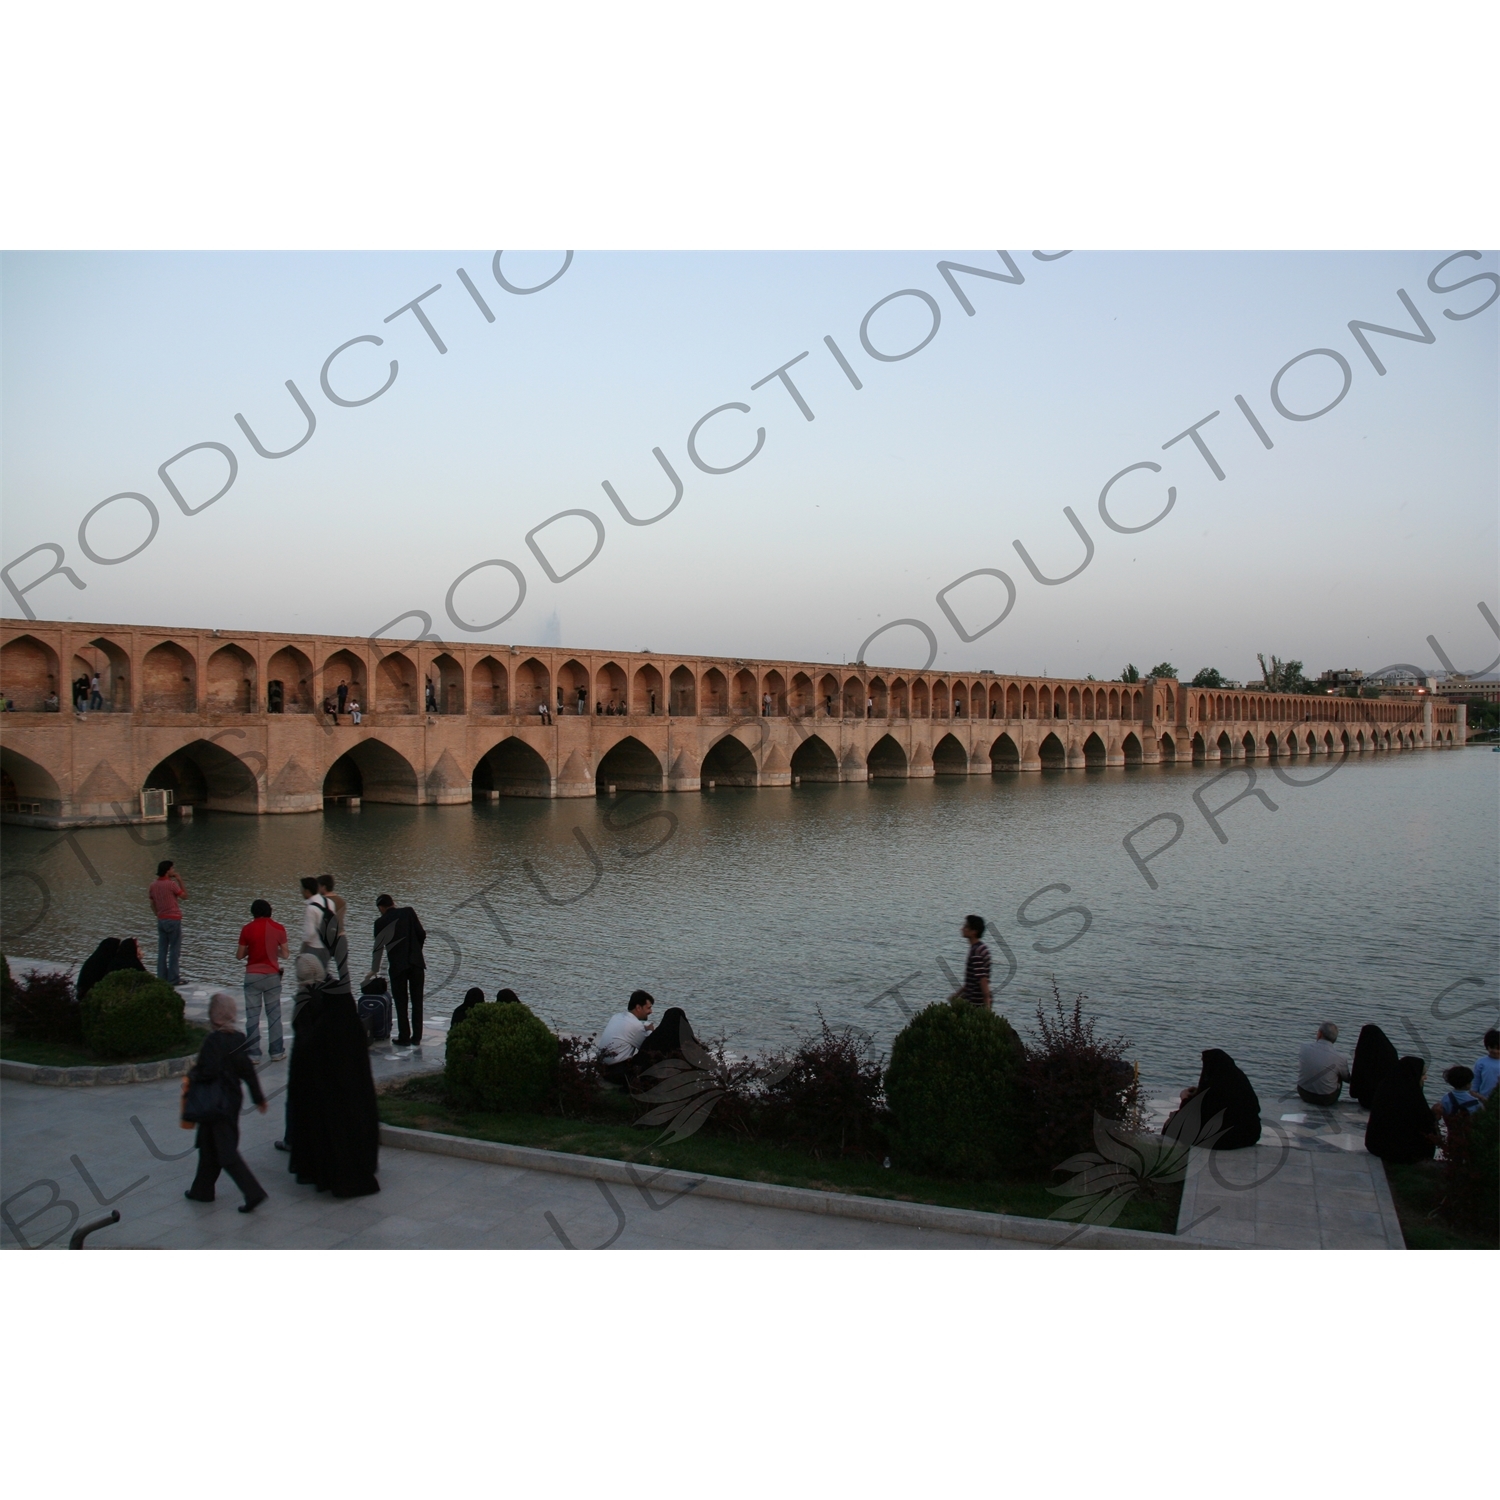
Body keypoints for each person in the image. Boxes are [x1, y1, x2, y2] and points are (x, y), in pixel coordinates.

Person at [284, 943, 381, 1198]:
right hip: (352, 1073)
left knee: (330, 1127)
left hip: (325, 1078)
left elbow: (307, 1044)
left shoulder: (309, 1002)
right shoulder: (339, 994)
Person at [183, 992, 268, 1212]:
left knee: (225, 1151)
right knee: (208, 1144)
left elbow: (207, 1071)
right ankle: (201, 1190)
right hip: (231, 1101)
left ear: (215, 1016)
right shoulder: (238, 1039)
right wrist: (258, 1098)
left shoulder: (213, 1041)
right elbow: (247, 1072)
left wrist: (193, 1076)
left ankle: (253, 1192)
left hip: (214, 1102)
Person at [1164, 1049, 1262, 1150]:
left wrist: (1184, 1098)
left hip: (1227, 1137)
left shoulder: (1216, 1088)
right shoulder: (1238, 1079)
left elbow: (1198, 1114)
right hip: (1251, 1134)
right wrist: (1198, 1093)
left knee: (1172, 1125)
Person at [369, 894, 426, 1046]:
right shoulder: (408, 912)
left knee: (401, 1003)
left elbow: (379, 949)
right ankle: (417, 1037)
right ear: (393, 903)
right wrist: (416, 951)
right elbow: (422, 934)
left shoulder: (380, 922)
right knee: (417, 1001)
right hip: (416, 963)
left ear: (381, 907)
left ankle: (404, 1037)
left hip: (397, 967)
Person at [237, 899, 289, 1063]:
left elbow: (239, 955)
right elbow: (286, 954)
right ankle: (276, 1052)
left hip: (252, 976)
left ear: (253, 912)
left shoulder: (247, 929)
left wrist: (250, 949)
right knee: (274, 1015)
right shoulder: (279, 928)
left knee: (252, 1016)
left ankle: (253, 1054)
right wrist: (274, 950)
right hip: (272, 976)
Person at [1365, 1056, 1439, 1164]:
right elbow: (1425, 1123)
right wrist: (1435, 1115)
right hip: (1399, 1152)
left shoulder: (1385, 1087)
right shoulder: (1412, 1096)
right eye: (1422, 1074)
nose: (1425, 1078)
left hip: (1376, 1145)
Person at [148, 859, 186, 984]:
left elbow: (152, 903)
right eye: (172, 869)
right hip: (173, 920)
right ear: (167, 870)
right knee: (174, 950)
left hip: (161, 919)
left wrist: (157, 915)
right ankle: (174, 978)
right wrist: (179, 880)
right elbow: (184, 896)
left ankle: (162, 977)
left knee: (162, 950)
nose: (173, 871)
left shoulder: (153, 885)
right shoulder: (171, 884)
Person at [1297, 1021, 1351, 1106]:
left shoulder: (1304, 1048)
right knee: (1338, 1073)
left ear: (1320, 1034)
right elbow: (1347, 1079)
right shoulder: (1341, 1058)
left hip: (1303, 1093)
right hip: (1326, 1099)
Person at [298, 876, 341, 978]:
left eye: (301, 889)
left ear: (307, 891)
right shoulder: (328, 902)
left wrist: (302, 950)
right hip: (327, 946)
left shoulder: (311, 908)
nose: (300, 892)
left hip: (314, 948)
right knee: (322, 977)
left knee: (309, 978)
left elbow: (309, 933)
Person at [1350, 1023, 1400, 1108]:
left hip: (1365, 1100)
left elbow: (1357, 1076)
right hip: (1385, 1100)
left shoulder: (1363, 1053)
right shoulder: (1390, 1053)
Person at [959, 915, 992, 1009]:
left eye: (966, 927)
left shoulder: (976, 952)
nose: (962, 929)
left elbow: (983, 980)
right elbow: (971, 980)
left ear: (974, 931)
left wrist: (987, 1006)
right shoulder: (981, 948)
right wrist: (958, 995)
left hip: (976, 1003)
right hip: (971, 1000)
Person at [1473, 1029, 1500, 1100]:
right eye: (1492, 1047)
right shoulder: (1481, 1062)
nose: (1495, 1051)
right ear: (1487, 1046)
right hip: (1484, 1100)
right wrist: (1482, 1098)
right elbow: (1474, 1088)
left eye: (1498, 1048)